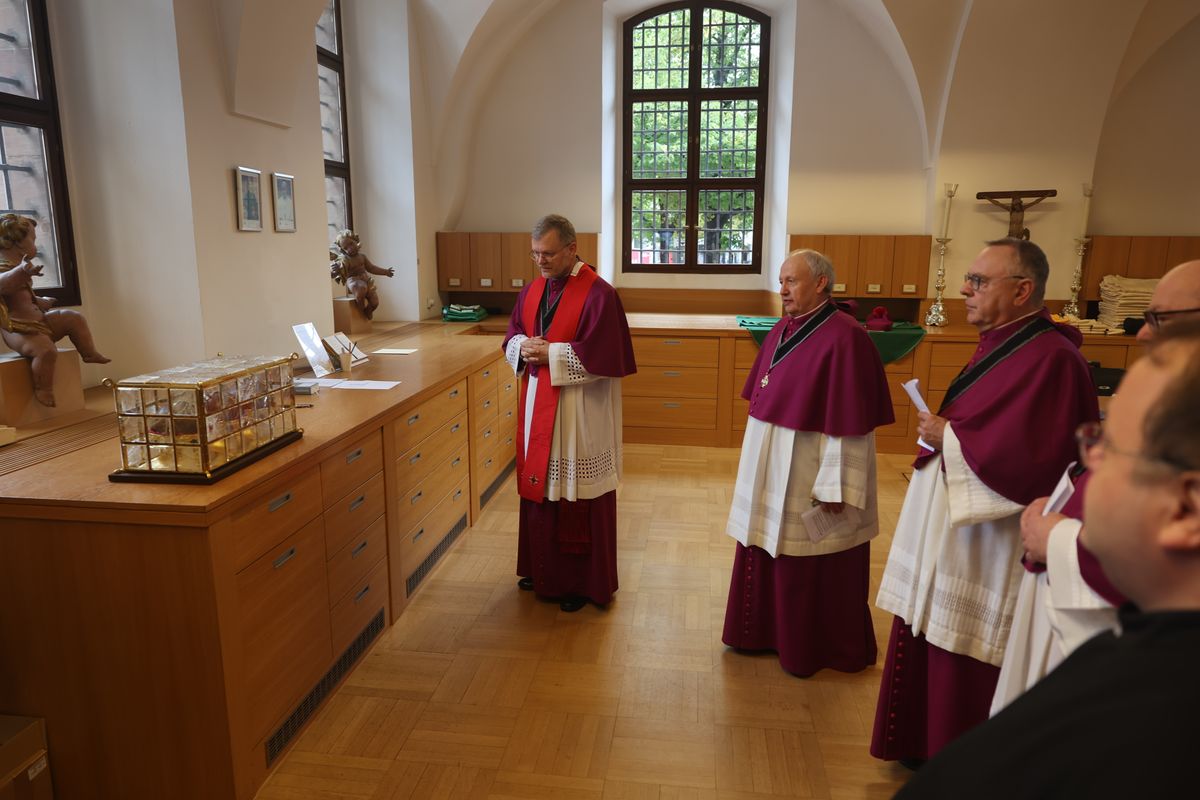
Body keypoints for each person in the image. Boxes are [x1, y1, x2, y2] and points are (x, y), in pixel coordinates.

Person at [894, 321, 1200, 799]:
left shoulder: (1133, 721)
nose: (1085, 468)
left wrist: (1059, 539)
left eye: (1113, 448)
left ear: (1186, 508)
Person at [872, 238, 1099, 764]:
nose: (963, 290)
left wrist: (947, 432)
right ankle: (920, 746)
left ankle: (956, 761)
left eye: (978, 281)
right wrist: (948, 432)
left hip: (991, 541)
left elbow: (1032, 457)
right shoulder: (1009, 342)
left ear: (1023, 290)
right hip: (958, 527)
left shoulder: (1052, 358)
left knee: (966, 648)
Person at [990, 258, 1200, 713]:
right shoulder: (1174, 396)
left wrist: (1060, 539)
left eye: (1158, 319)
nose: (1143, 334)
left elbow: (1171, 565)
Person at [722, 249, 894, 676]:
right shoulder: (784, 327)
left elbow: (851, 424)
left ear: (820, 283)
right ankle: (760, 632)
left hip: (809, 466)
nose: (782, 289)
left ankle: (809, 646)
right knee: (764, 542)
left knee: (810, 553)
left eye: (791, 281)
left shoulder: (847, 336)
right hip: (773, 458)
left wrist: (836, 488)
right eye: (781, 281)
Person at [502, 214, 635, 612]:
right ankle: (541, 570)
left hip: (580, 412)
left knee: (575, 492)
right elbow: (511, 333)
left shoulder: (599, 294)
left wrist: (553, 353)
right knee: (542, 489)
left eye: (548, 253)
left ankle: (578, 582)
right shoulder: (532, 291)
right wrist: (522, 347)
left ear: (572, 249)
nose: (540, 261)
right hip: (538, 405)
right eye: (535, 253)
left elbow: (606, 354)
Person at [0, 213, 109, 406]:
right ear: (18, 244)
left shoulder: (19, 268)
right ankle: (43, 389)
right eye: (33, 239)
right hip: (19, 330)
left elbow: (25, 297)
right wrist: (22, 272)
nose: (36, 244)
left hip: (39, 320)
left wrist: (41, 301)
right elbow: (5, 285)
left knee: (72, 317)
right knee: (46, 351)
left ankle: (89, 352)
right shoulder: (5, 269)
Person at [330, 229, 394, 320]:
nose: (350, 248)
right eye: (346, 248)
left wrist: (385, 272)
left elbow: (371, 268)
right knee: (361, 287)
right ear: (343, 251)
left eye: (351, 244)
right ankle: (360, 306)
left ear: (356, 240)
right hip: (354, 281)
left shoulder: (362, 257)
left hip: (366, 280)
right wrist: (336, 270)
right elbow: (340, 270)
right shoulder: (345, 260)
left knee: (375, 302)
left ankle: (368, 310)